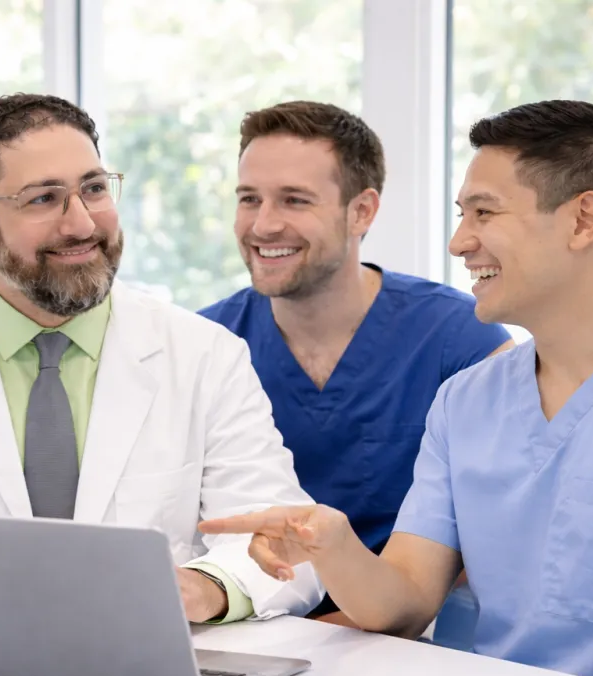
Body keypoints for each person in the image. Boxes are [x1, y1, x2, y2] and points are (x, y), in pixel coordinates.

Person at [202, 100, 593, 676]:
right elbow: (408, 601)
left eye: (484, 213)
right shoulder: (468, 399)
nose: (458, 242)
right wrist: (330, 543)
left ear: (584, 219)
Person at [0, 93, 319, 624]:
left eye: (93, 189)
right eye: (44, 199)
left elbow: (287, 548)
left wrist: (204, 589)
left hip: (146, 669)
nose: (81, 224)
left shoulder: (205, 355)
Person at [200, 101, 511, 621]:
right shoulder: (207, 344)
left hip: (404, 640)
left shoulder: (459, 338)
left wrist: (332, 639)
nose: (263, 224)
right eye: (248, 199)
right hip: (248, 632)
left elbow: (495, 535)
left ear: (362, 211)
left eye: (294, 200)